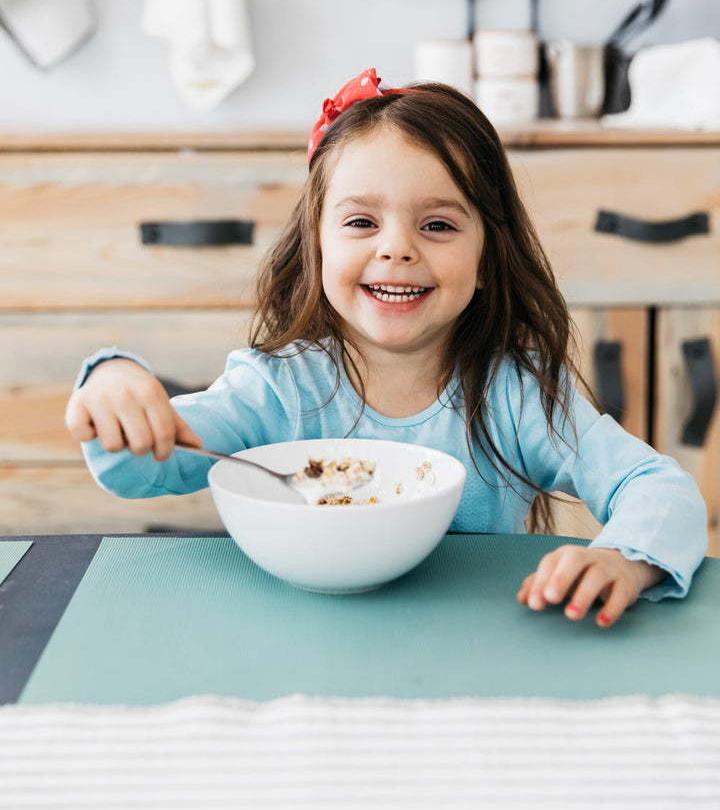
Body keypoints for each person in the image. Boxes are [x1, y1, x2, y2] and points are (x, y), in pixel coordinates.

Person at [66, 68, 707, 627]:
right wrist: (114, 384)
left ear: (486, 257)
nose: (396, 248)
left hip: (479, 639)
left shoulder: (517, 397)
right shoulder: (275, 390)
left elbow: (659, 487)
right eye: (361, 222)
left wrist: (623, 559)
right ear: (317, 247)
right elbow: (142, 467)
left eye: (437, 224)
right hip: (307, 636)